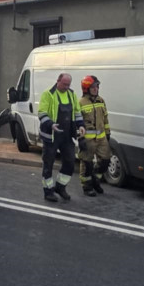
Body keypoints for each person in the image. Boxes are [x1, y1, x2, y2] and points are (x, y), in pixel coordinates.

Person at [37, 73, 85, 202]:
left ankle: (60, 187)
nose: (66, 87)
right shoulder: (48, 94)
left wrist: (81, 125)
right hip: (51, 136)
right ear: (58, 81)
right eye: (64, 84)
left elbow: (77, 111)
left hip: (67, 135)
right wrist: (51, 124)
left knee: (69, 162)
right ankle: (48, 191)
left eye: (68, 85)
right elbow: (42, 113)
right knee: (48, 164)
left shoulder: (71, 94)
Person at [78, 75, 112, 197]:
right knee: (87, 164)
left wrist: (108, 133)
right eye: (93, 87)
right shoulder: (80, 103)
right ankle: (87, 187)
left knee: (106, 160)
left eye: (97, 86)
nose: (96, 89)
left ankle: (95, 180)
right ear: (86, 88)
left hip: (101, 138)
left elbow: (105, 118)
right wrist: (80, 138)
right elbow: (77, 123)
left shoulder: (101, 101)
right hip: (87, 139)